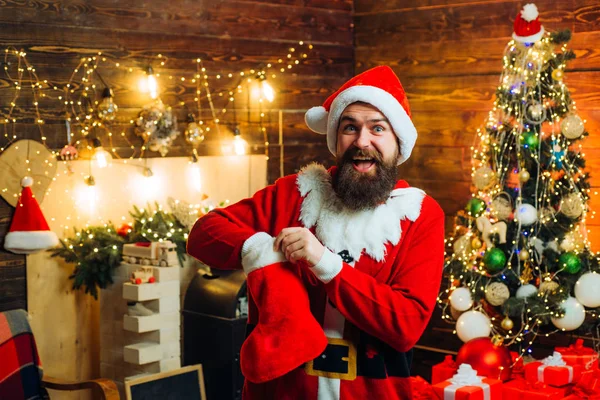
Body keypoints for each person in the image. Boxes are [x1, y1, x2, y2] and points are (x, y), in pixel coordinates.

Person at [187, 65, 445, 400]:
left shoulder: (419, 215)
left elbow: (405, 326)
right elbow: (204, 234)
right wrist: (263, 251)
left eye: (377, 128)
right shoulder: (295, 193)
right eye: (350, 127)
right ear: (336, 138)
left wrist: (325, 263)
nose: (362, 141)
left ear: (398, 141)